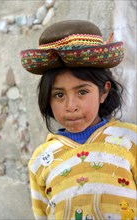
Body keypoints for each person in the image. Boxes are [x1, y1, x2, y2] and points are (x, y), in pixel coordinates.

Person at [20, 20, 137, 220]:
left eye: (82, 91)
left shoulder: (130, 140)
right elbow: (42, 214)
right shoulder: (41, 159)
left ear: (104, 92)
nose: (71, 106)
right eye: (59, 95)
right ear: (47, 98)